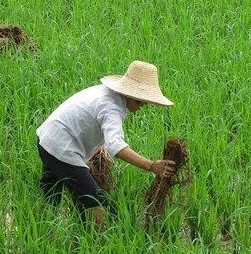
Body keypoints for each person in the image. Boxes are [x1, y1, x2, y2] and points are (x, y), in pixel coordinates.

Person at [36, 60, 176, 228]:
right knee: (95, 201)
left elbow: (87, 122)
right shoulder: (112, 108)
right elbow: (115, 146)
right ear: (131, 94)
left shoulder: (105, 93)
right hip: (62, 149)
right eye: (141, 101)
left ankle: (42, 229)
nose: (142, 106)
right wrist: (151, 165)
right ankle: (99, 245)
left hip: (46, 139)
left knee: (51, 196)